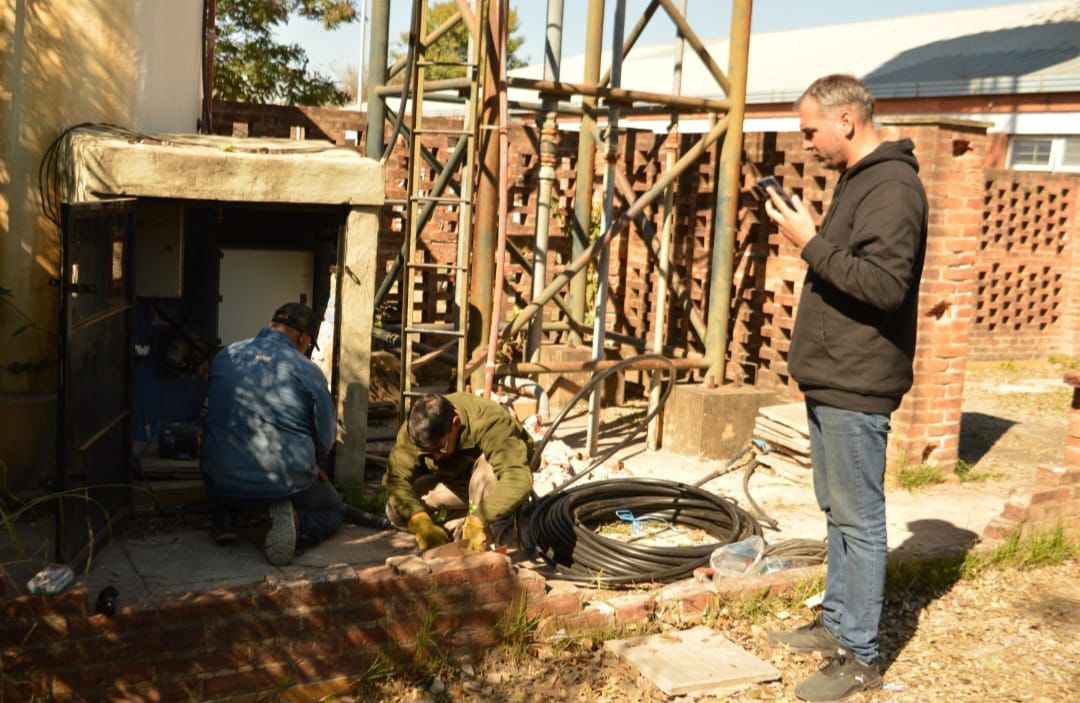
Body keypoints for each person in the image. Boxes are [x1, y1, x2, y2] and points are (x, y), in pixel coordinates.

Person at [762, 74, 927, 702]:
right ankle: (836, 623)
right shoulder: (859, 180)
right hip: (833, 376)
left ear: (847, 121)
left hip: (860, 381)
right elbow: (848, 267)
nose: (806, 143)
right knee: (836, 511)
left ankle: (860, 655)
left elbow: (884, 287)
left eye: (811, 131)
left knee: (860, 521)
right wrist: (816, 241)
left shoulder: (894, 188)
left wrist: (809, 243)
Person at [200, 302, 346, 565]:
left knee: (218, 444)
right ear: (303, 338)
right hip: (283, 482)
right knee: (333, 510)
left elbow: (213, 413)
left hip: (221, 478)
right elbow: (325, 436)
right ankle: (299, 524)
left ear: (272, 325)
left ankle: (223, 518)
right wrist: (317, 463)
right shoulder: (307, 370)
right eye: (308, 344)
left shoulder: (226, 355)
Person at [385, 392, 535, 553]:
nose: (436, 456)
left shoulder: (489, 421)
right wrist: (421, 521)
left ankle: (482, 533)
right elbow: (396, 480)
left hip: (492, 483)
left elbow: (517, 478)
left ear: (455, 422)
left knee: (486, 474)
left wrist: (478, 520)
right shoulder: (416, 429)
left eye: (439, 448)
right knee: (397, 510)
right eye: (428, 452)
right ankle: (458, 523)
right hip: (458, 484)